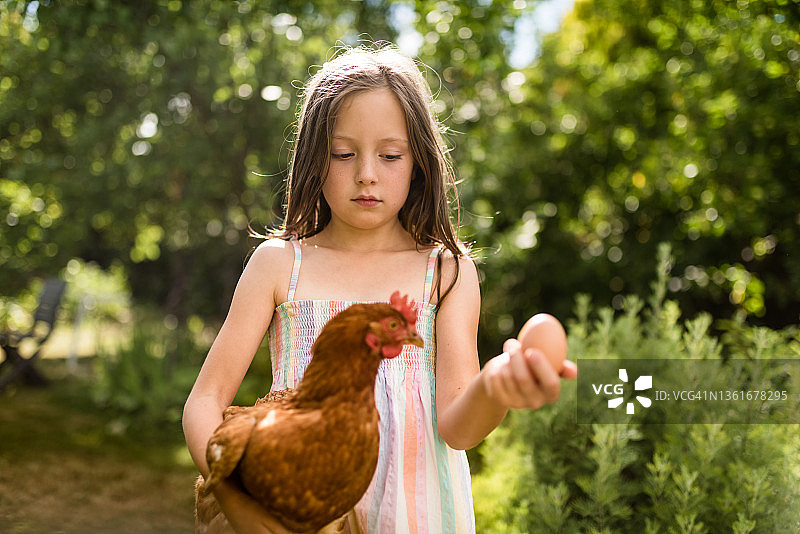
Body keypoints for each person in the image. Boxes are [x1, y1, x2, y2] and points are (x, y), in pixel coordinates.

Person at [182, 43, 578, 534]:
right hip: (299, 517)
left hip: (416, 517)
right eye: (343, 154)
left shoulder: (446, 272)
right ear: (313, 159)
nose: (366, 173)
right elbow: (205, 400)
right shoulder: (280, 265)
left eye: (390, 155)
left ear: (418, 163)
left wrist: (496, 386)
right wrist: (235, 498)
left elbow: (458, 428)